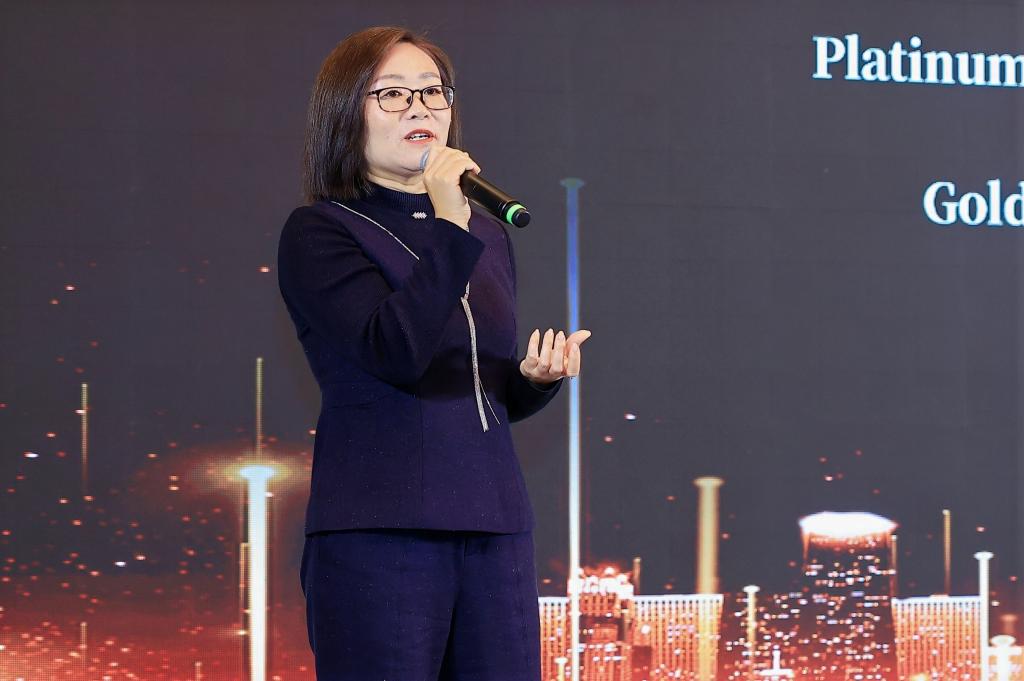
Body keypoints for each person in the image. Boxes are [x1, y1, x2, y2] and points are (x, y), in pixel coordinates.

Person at [276, 26, 592, 681]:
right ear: (346, 114)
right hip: (381, 526)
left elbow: (471, 384)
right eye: (392, 93)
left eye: (432, 91)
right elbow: (395, 351)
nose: (419, 107)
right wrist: (451, 223)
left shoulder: (485, 235)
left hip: (494, 522)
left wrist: (532, 379)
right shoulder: (322, 232)